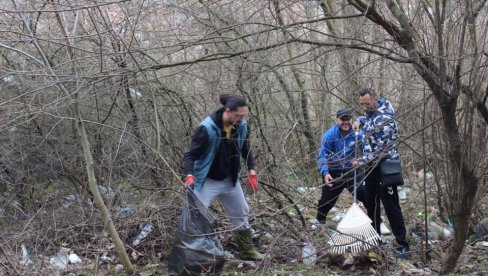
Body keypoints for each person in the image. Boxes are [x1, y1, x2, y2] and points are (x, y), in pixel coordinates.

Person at [182, 94, 264, 261]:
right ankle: (193, 255)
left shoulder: (242, 126)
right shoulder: (206, 129)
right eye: (238, 115)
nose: (241, 118)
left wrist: (252, 170)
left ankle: (247, 251)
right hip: (207, 181)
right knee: (196, 216)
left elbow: (246, 149)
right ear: (228, 111)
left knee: (241, 212)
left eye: (244, 115)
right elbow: (190, 156)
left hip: (229, 180)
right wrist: (189, 175)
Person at [351, 87, 410, 258]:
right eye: (361, 104)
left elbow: (380, 151)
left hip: (385, 166)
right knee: (371, 203)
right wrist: (358, 120)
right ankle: (375, 239)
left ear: (375, 99)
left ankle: (402, 244)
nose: (364, 107)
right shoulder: (371, 113)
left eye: (366, 104)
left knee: (391, 205)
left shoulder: (385, 119)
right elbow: (368, 117)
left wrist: (360, 161)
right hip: (371, 168)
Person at [316, 108, 390, 234]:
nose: (345, 122)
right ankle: (319, 221)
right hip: (334, 172)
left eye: (348, 119)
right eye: (342, 119)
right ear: (337, 120)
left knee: (367, 196)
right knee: (325, 200)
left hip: (353, 172)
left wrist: (360, 160)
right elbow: (322, 156)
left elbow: (368, 153)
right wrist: (325, 172)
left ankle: (378, 222)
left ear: (351, 120)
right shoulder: (329, 135)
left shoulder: (358, 135)